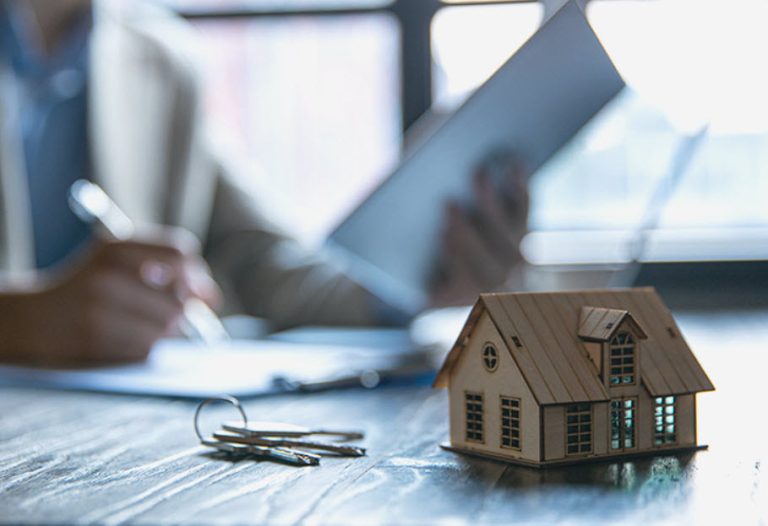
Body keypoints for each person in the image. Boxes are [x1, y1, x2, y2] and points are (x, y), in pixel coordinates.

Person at [0, 0, 528, 366]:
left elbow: (265, 262)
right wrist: (19, 322)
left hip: (110, 454)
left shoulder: (160, 58)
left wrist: (413, 275)